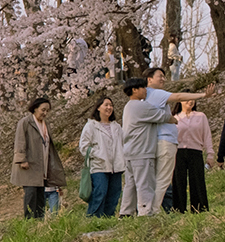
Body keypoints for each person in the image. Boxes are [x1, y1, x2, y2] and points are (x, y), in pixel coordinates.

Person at [139, 66, 212, 214]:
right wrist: (203, 95)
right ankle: (157, 211)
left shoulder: (147, 98)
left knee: (164, 180)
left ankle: (149, 210)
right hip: (170, 146)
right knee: (168, 181)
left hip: (182, 148)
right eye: (160, 76)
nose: (163, 79)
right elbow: (178, 96)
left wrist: (210, 153)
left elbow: (207, 136)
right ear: (149, 79)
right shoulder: (158, 96)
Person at [120, 78, 174, 216]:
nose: (146, 91)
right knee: (145, 184)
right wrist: (172, 118)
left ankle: (125, 212)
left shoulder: (128, 106)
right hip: (142, 151)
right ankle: (146, 212)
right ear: (134, 90)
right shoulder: (140, 106)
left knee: (130, 185)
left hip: (130, 151)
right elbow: (163, 116)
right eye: (143, 88)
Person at [11, 97, 66, 220]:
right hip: (29, 165)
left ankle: (39, 220)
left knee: (41, 194)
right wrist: (21, 159)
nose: (45, 113)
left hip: (43, 164)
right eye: (43, 110)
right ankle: (29, 221)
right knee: (31, 194)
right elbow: (20, 141)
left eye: (47, 110)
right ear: (35, 108)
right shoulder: (25, 122)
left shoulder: (45, 124)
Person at [79, 96, 125, 218]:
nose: (109, 107)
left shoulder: (117, 127)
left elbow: (123, 144)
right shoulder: (91, 126)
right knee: (100, 192)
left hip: (116, 166)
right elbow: (84, 147)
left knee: (114, 194)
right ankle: (93, 219)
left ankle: (107, 219)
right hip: (99, 166)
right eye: (106, 105)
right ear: (98, 107)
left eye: (111, 105)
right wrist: (99, 154)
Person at [172, 99, 213, 212]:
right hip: (178, 152)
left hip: (195, 151)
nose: (190, 102)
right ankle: (178, 209)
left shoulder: (201, 116)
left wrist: (210, 154)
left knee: (197, 181)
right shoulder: (175, 117)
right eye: (187, 99)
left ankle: (199, 208)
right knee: (178, 181)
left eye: (192, 100)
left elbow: (207, 135)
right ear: (180, 101)